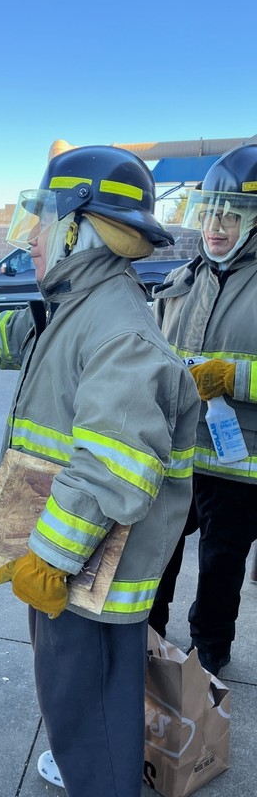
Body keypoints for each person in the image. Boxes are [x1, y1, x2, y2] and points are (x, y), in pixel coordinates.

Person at [0, 146, 199, 797]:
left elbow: (116, 465)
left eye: (44, 221)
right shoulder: (77, 306)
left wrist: (51, 558)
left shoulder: (117, 330)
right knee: (72, 690)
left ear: (81, 228)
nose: (30, 238)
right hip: (74, 553)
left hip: (92, 567)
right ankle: (88, 766)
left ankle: (101, 779)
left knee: (91, 700)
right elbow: (2, 339)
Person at [148, 145, 257, 677]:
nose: (214, 226)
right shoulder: (182, 281)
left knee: (221, 561)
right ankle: (147, 632)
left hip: (239, 463)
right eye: (210, 212)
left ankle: (210, 649)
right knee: (158, 545)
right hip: (179, 450)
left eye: (230, 215)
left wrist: (234, 377)